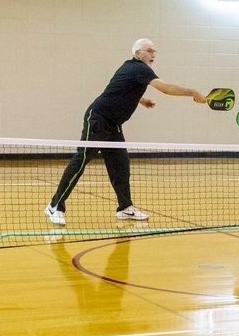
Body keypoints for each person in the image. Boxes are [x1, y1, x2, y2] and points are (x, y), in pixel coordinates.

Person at [44, 39, 205, 226]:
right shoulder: (140, 68)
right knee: (80, 162)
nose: (153, 54)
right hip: (97, 120)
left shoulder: (132, 68)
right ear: (138, 53)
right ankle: (55, 206)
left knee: (120, 164)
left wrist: (140, 99)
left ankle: (125, 208)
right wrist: (192, 92)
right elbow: (165, 88)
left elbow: (119, 89)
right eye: (149, 51)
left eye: (155, 51)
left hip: (113, 124)